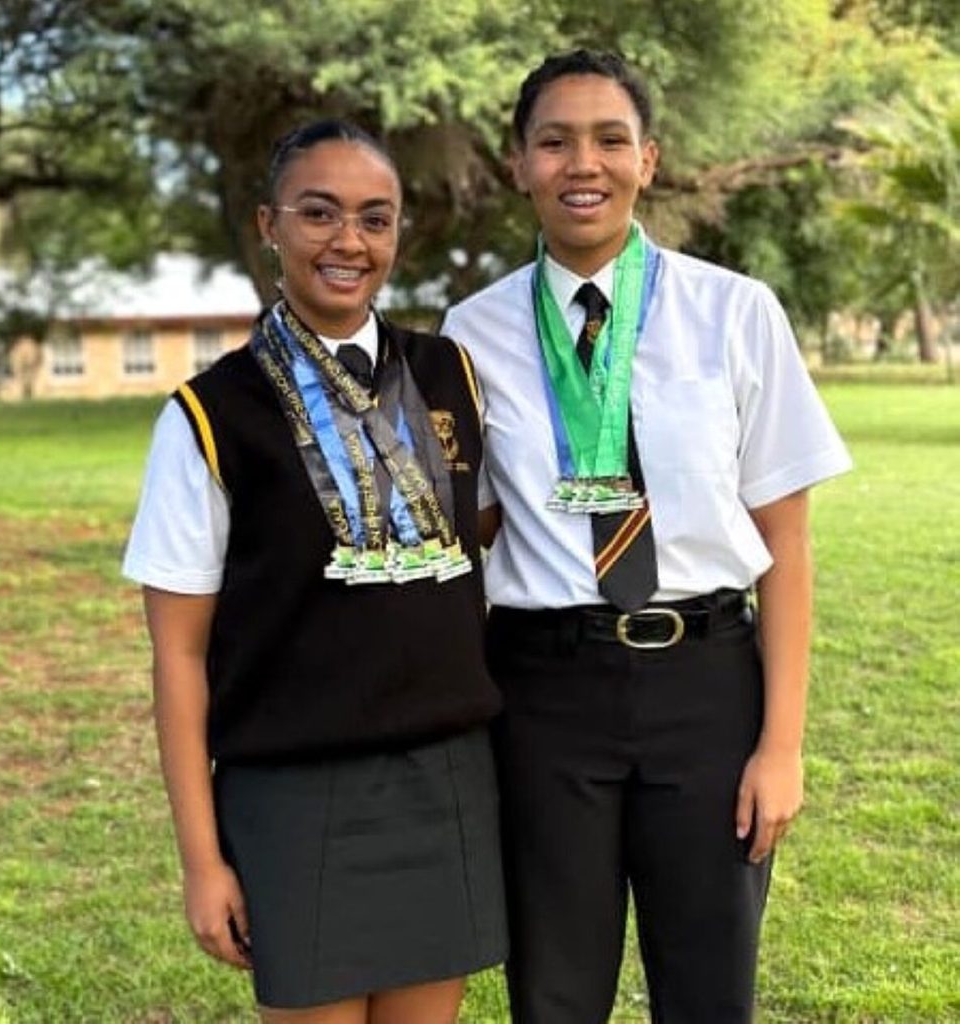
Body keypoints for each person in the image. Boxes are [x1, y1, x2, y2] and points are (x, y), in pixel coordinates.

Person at [441, 50, 852, 1024]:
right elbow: (471, 524)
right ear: (519, 165)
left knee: (709, 990)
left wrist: (780, 745)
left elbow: (784, 546)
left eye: (608, 139)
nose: (582, 162)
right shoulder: (469, 330)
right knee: (554, 992)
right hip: (543, 693)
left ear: (648, 159)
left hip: (706, 686)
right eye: (554, 141)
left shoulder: (735, 312)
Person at [122, 120, 507, 1024]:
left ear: (399, 233)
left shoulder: (449, 375)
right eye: (319, 213)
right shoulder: (211, 414)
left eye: (375, 219)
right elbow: (177, 656)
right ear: (269, 223)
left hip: (445, 772)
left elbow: (480, 530)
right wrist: (201, 859)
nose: (349, 242)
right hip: (293, 791)